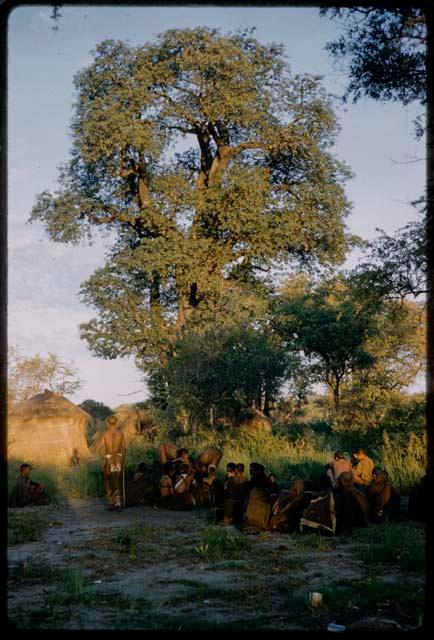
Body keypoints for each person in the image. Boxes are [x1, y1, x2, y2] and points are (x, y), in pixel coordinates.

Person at [99, 415, 127, 512]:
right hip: (118, 459)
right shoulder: (121, 434)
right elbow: (124, 449)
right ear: (116, 423)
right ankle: (117, 502)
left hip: (109, 459)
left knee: (107, 480)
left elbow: (102, 449)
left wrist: (103, 462)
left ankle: (110, 501)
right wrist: (123, 461)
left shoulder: (105, 434)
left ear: (108, 423)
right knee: (117, 481)